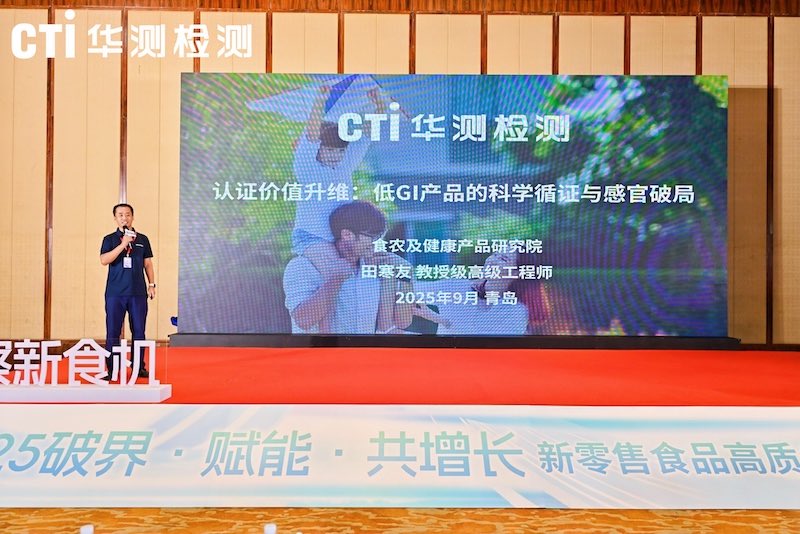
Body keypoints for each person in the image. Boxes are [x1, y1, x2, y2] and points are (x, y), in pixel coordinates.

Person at [283, 201, 413, 334]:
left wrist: (405, 274)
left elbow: (402, 322)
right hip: (319, 348)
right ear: (347, 235)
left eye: (380, 237)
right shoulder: (302, 267)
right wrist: (335, 280)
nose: (377, 243)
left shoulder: (378, 268)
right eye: (372, 237)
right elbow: (304, 320)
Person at [433, 250, 549, 336]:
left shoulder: (516, 311)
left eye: (503, 259)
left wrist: (445, 321)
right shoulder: (459, 287)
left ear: (517, 273)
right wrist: (439, 319)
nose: (491, 261)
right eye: (494, 254)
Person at [100, 203, 156, 379]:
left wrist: (152, 284)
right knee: (113, 331)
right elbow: (104, 260)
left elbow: (148, 264)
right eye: (121, 215)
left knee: (139, 331)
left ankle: (138, 367)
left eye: (128, 214)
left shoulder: (143, 239)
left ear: (133, 217)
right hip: (115, 293)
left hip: (137, 292)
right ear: (115, 218)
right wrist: (123, 244)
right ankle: (112, 370)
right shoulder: (109, 239)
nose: (124, 218)